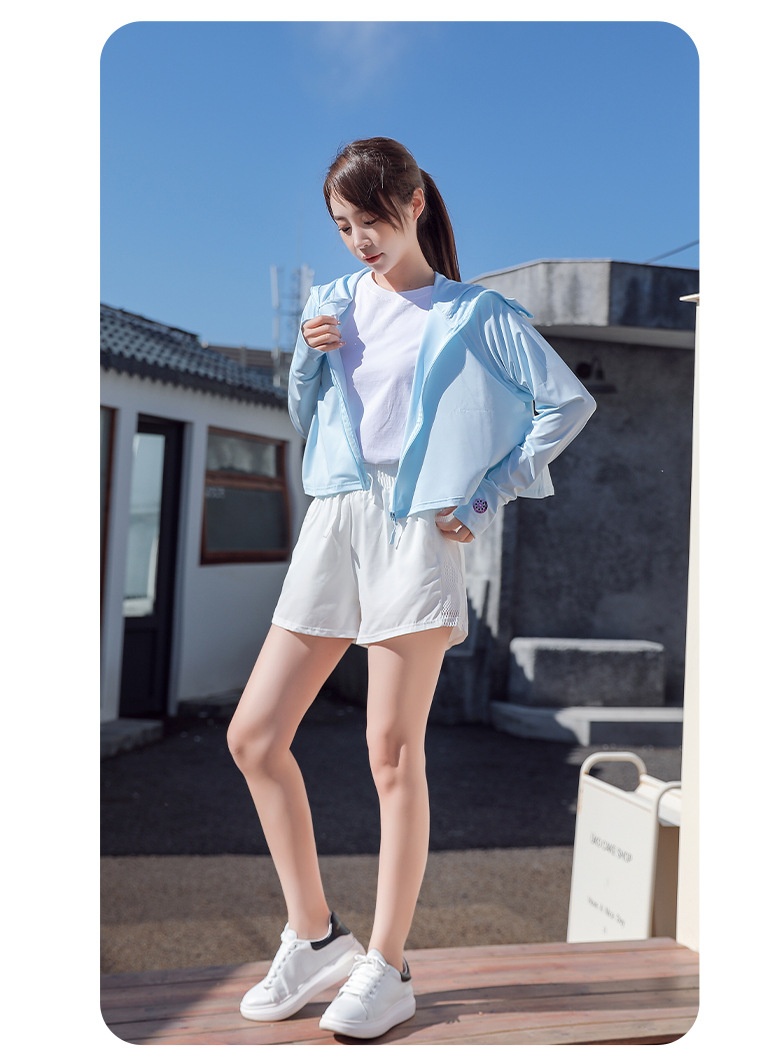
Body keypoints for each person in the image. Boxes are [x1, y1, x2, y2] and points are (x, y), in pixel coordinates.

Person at [227, 137, 596, 1039]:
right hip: (335, 519)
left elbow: (566, 402)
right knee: (254, 735)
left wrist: (488, 491)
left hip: (418, 529)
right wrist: (307, 355)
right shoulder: (330, 301)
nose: (359, 239)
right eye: (342, 225)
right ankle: (316, 935)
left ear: (416, 202)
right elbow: (311, 419)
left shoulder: (474, 313)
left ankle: (388, 965)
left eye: (372, 219)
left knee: (391, 752)